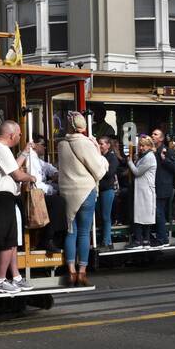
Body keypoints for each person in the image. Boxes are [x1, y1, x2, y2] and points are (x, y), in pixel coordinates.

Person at [0, 120, 37, 293]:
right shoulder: (0, 149)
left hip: (3, 198)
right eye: (19, 134)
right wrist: (32, 178)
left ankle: (16, 277)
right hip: (1, 199)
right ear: (11, 135)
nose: (20, 137)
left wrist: (24, 152)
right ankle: (0, 280)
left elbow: (12, 167)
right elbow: (17, 175)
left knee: (12, 241)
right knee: (7, 241)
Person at [56, 112, 109, 286]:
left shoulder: (61, 144)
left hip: (67, 192)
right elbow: (99, 170)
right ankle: (82, 272)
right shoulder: (86, 143)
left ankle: (70, 271)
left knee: (71, 231)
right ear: (83, 127)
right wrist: (97, 151)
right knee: (85, 232)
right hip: (86, 190)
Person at [127, 135, 157, 247]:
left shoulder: (149, 157)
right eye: (140, 145)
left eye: (143, 146)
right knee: (142, 215)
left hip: (145, 190)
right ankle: (144, 240)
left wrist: (129, 162)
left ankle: (141, 240)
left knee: (143, 215)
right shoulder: (145, 156)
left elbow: (137, 172)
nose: (141, 148)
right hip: (142, 189)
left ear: (149, 146)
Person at [152, 128, 175, 247]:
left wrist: (164, 159)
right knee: (157, 212)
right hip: (154, 185)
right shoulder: (152, 151)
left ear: (161, 138)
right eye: (152, 134)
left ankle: (162, 238)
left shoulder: (168, 151)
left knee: (159, 212)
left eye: (155, 134)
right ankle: (161, 236)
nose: (152, 136)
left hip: (164, 186)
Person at [97, 137, 120, 251]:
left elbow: (110, 172)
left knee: (106, 216)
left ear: (107, 145)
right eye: (99, 143)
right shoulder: (98, 157)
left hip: (107, 190)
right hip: (99, 189)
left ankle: (107, 241)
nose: (100, 146)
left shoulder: (112, 158)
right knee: (101, 216)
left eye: (102, 144)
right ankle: (106, 240)